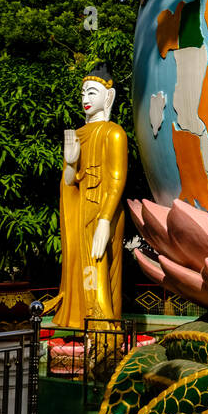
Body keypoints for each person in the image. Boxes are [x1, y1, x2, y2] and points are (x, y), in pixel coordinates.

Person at [44, 64, 127, 329]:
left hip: (104, 209)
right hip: (81, 210)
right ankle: (76, 319)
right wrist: (70, 163)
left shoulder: (113, 132)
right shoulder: (78, 136)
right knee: (78, 263)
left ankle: (101, 324)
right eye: (83, 94)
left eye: (92, 93)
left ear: (109, 97)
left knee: (98, 263)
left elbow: (117, 180)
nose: (85, 99)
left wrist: (105, 220)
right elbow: (69, 183)